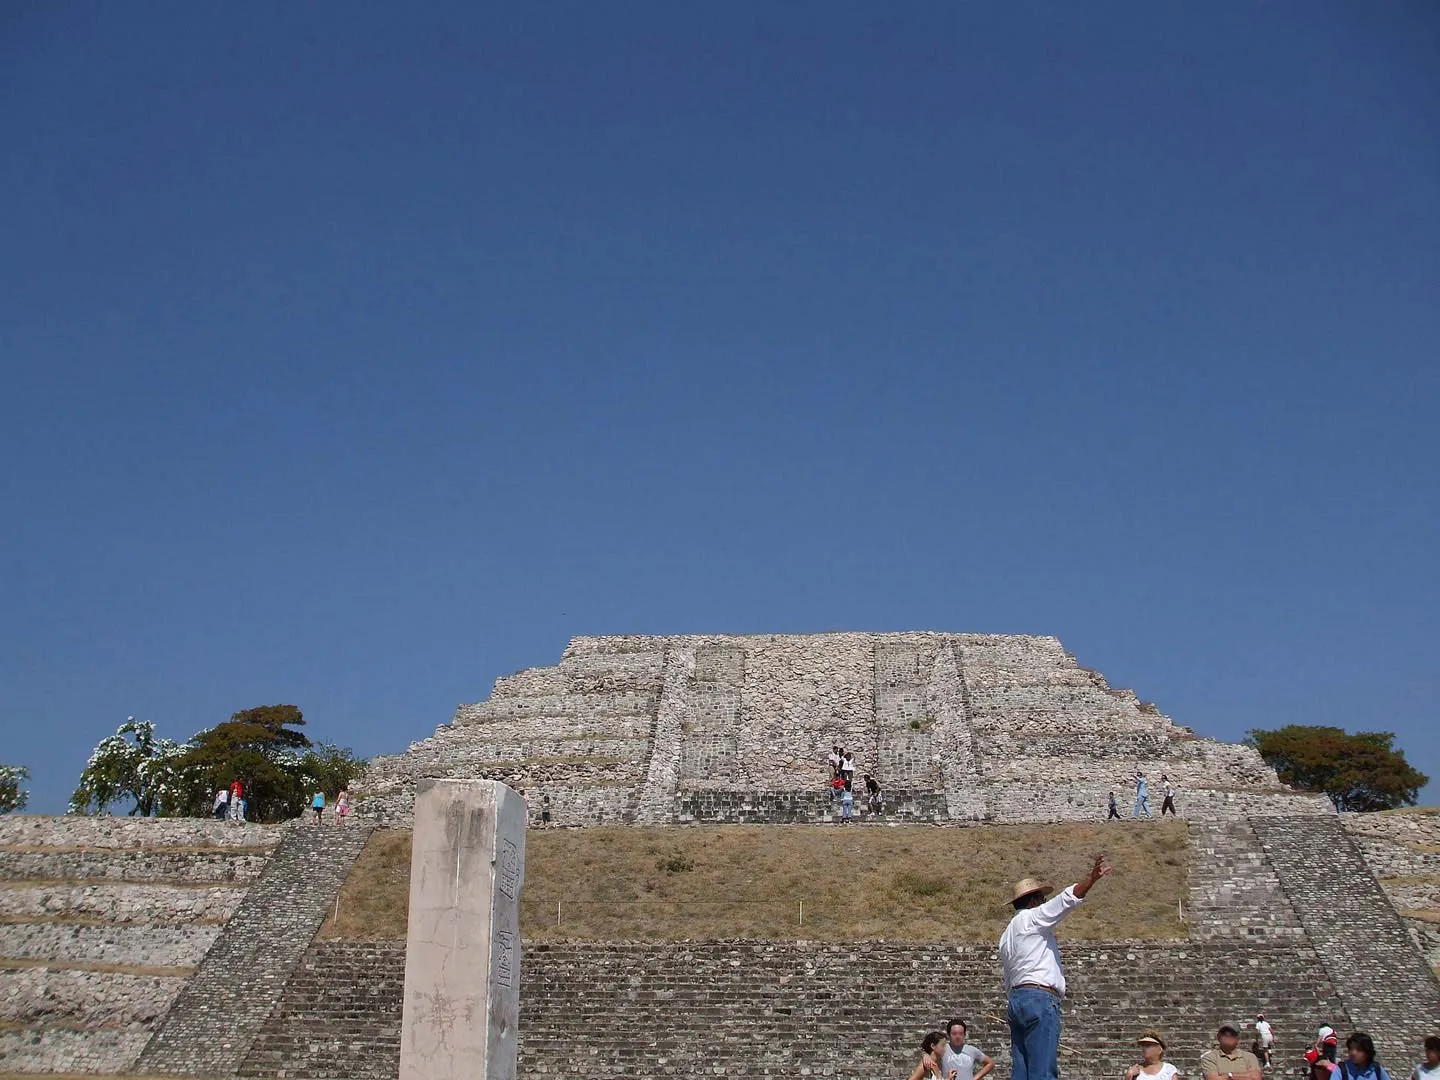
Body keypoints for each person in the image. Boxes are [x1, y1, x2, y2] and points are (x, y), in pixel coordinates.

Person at [999, 853, 1113, 1080]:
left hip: (1016, 999)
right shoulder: (1032, 918)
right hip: (1039, 999)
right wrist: (1091, 880)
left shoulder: (1006, 934)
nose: (1042, 903)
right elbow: (1064, 901)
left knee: (1021, 1072)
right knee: (1043, 1072)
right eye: (1040, 899)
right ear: (1033, 901)